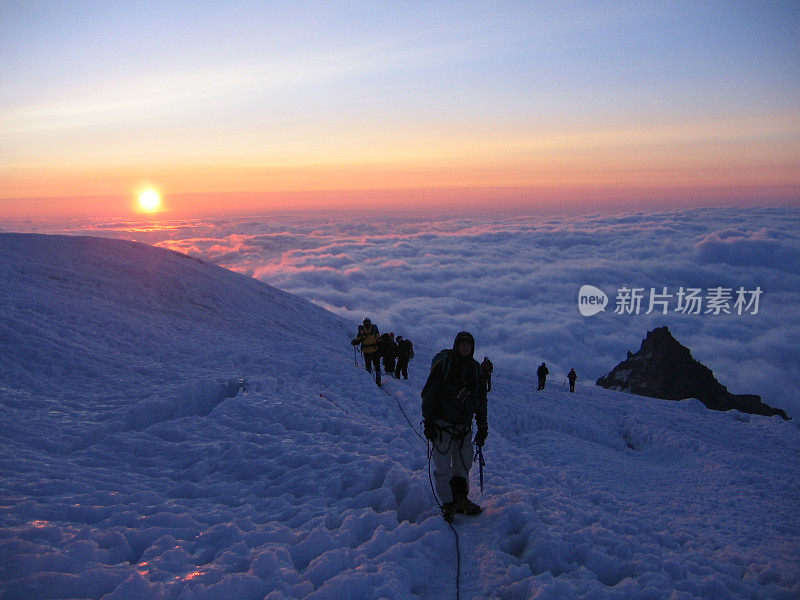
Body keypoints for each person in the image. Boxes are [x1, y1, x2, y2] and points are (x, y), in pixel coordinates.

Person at [421, 331, 488, 522]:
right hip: (442, 424)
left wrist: (482, 427)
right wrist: (429, 421)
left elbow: (481, 401)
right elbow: (430, 394)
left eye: (468, 344)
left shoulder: (476, 370)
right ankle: (448, 504)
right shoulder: (445, 365)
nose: (465, 348)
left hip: (463, 427)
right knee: (443, 466)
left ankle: (460, 499)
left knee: (462, 466)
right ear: (457, 345)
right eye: (462, 344)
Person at [351, 318, 381, 385]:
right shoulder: (374, 329)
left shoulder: (362, 331)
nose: (367, 323)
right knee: (377, 366)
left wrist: (355, 342)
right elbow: (379, 339)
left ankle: (370, 381)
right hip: (375, 350)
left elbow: (358, 340)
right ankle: (378, 381)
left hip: (367, 351)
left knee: (368, 366)